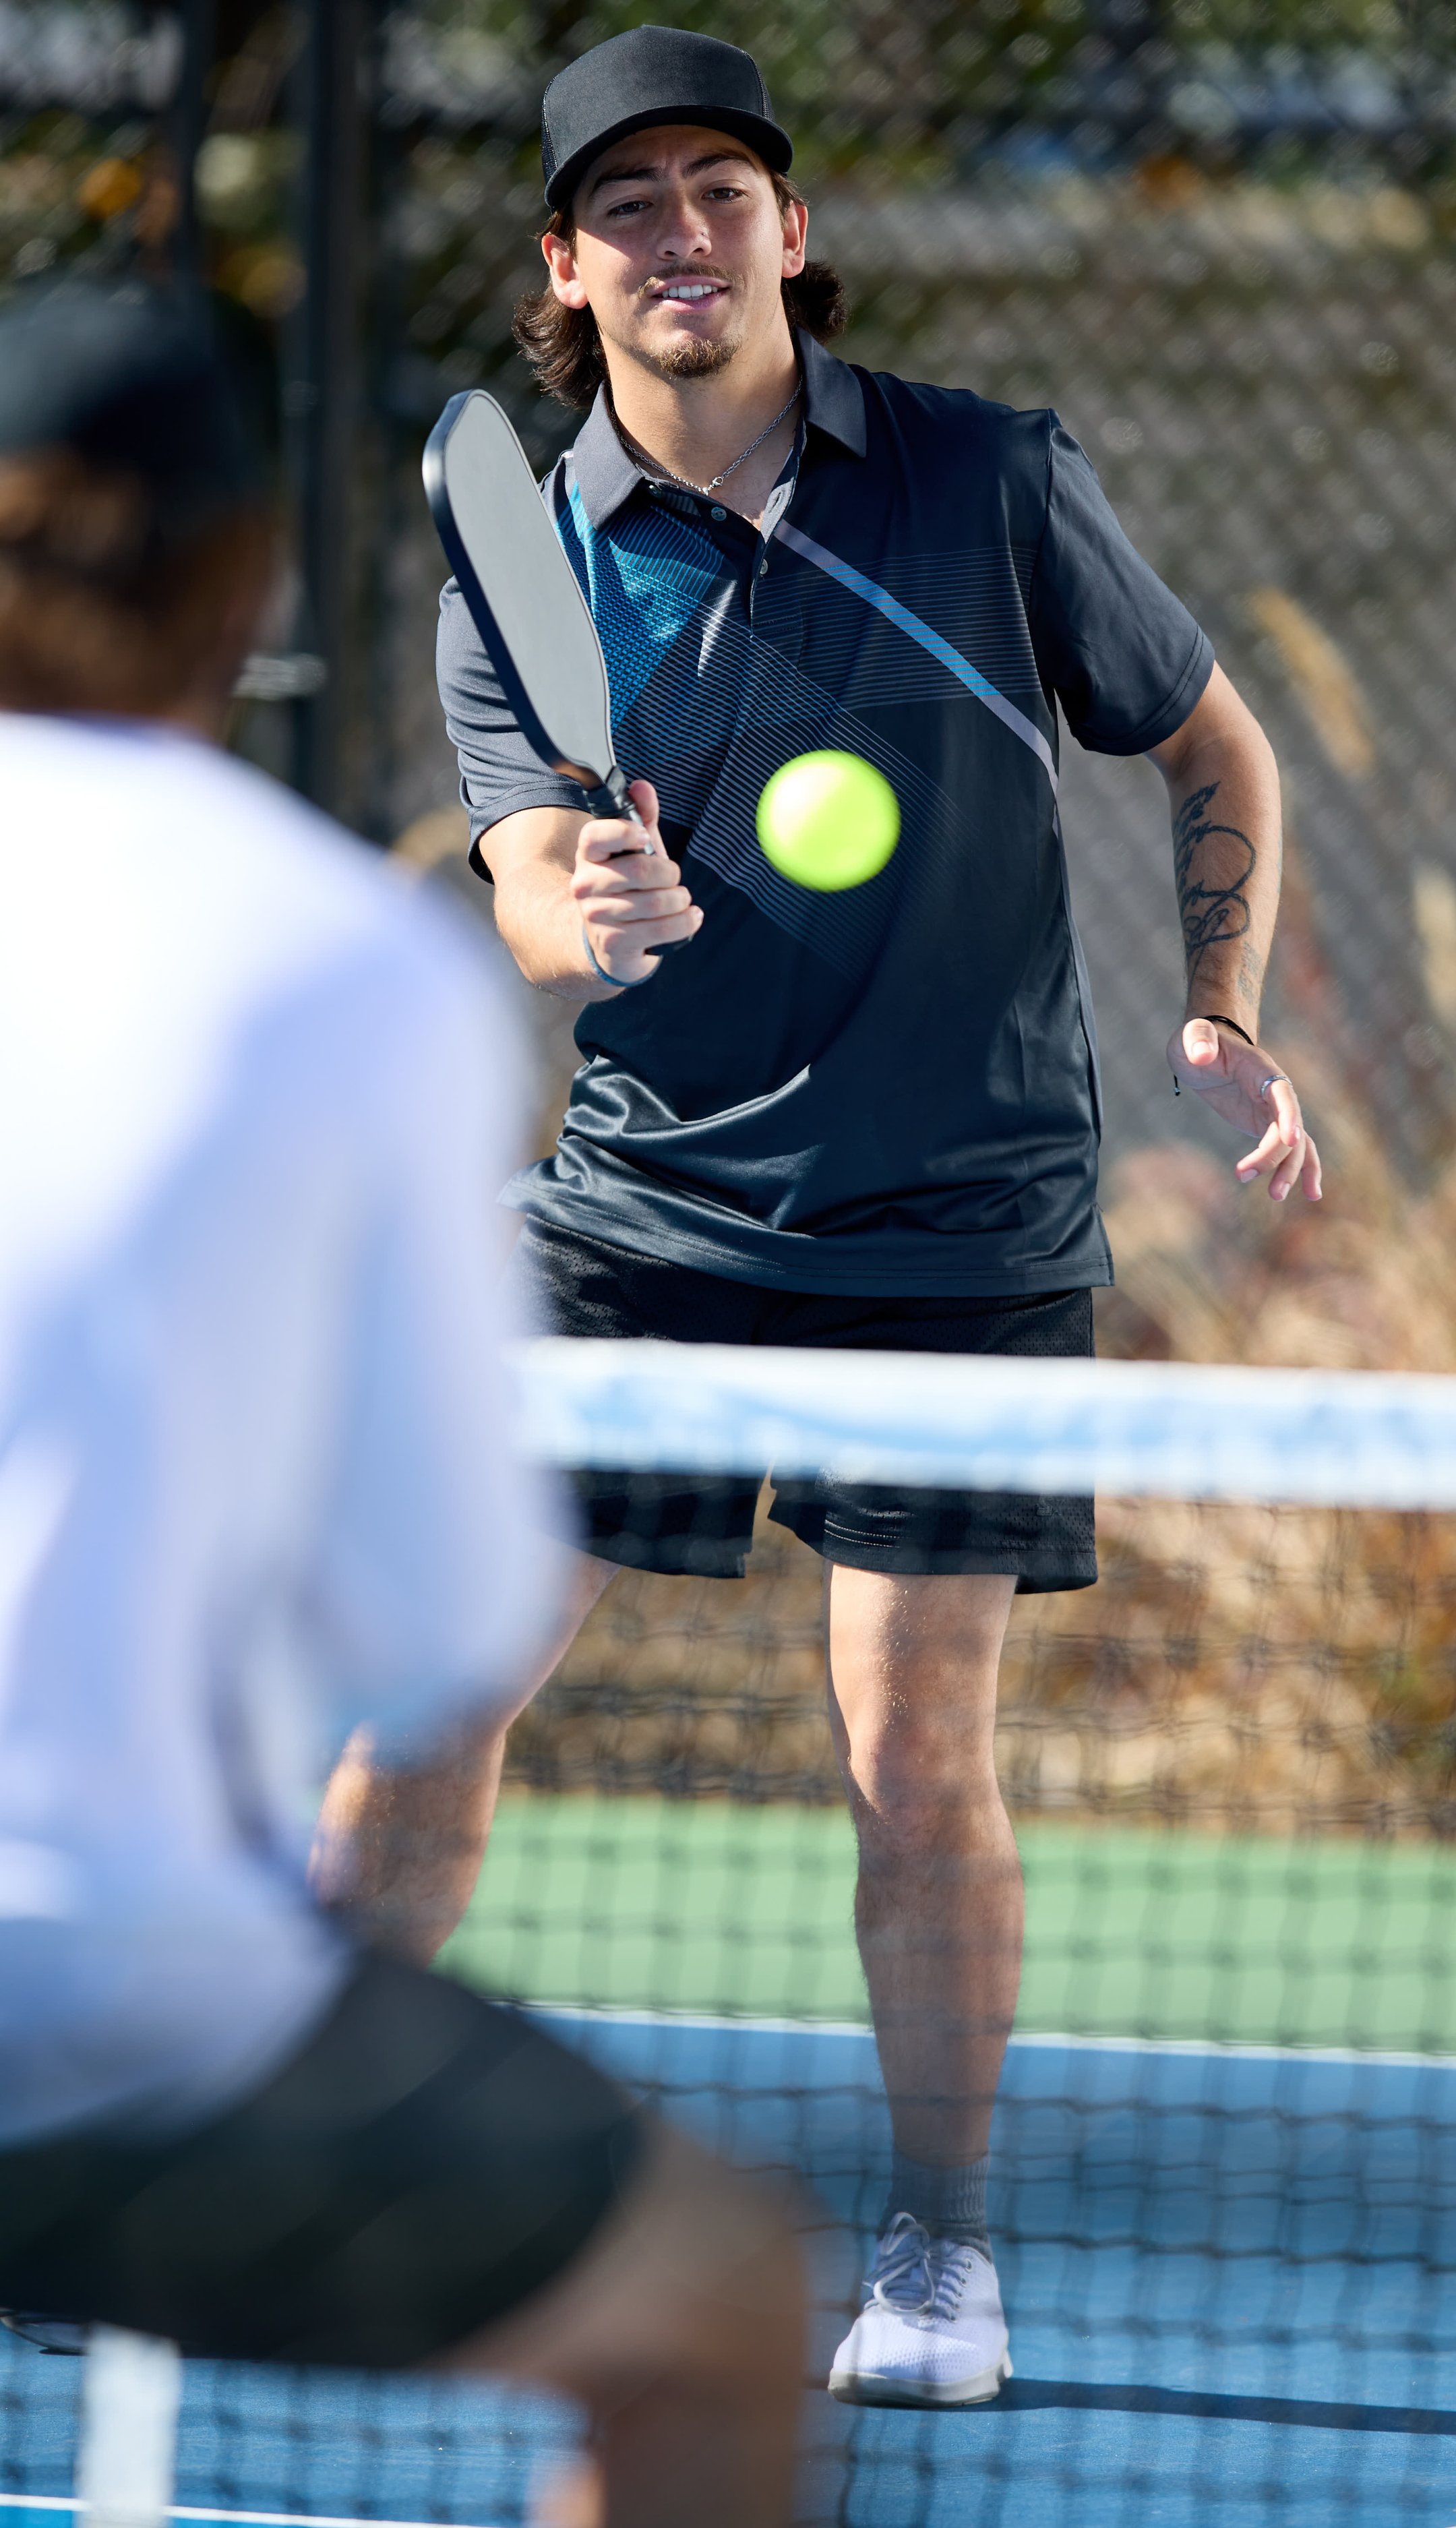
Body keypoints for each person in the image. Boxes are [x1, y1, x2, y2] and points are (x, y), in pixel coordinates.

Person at [320, 22, 1324, 2409]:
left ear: (788, 231)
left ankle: (939, 2257)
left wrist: (1222, 1002)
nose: (683, 234)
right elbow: (514, 877)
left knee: (910, 1754)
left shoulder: (985, 478)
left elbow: (1211, 740)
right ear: (566, 268)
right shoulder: (518, 536)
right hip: (635, 1219)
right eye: (629, 204)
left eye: (721, 191)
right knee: (431, 1695)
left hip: (955, 1227)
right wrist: (585, 910)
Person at [0, 281, 803, 2528]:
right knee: (728, 2315)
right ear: (246, 581)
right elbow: (434, 1624)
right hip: (117, 2025)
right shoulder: (348, 977)